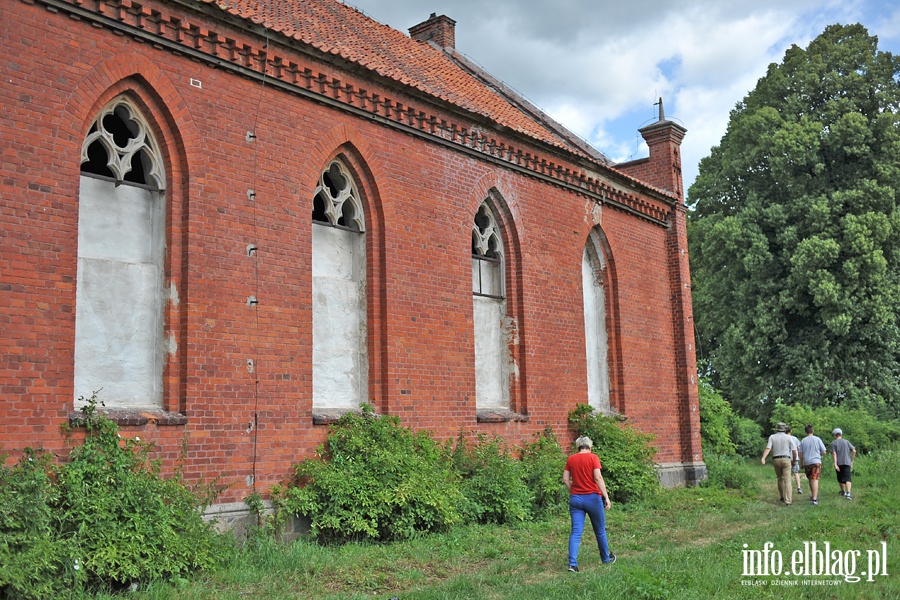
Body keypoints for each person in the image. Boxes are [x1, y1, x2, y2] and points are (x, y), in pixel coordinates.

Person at [563, 435, 616, 572]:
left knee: (576, 532)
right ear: (590, 446)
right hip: (592, 498)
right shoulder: (593, 458)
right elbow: (598, 477)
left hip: (576, 499)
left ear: (578, 446)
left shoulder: (571, 459)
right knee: (600, 530)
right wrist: (606, 497)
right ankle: (606, 559)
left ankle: (572, 564)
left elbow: (565, 479)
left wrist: (574, 490)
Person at [760, 422, 797, 505]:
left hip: (776, 459)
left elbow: (768, 448)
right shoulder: (788, 437)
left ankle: (782, 496)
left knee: (780, 478)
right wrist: (794, 461)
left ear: (777, 428)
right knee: (787, 480)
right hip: (786, 459)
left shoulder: (772, 437)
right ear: (785, 429)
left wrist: (763, 458)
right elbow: (794, 451)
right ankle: (788, 500)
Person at [797, 424, 827, 505]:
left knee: (810, 478)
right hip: (816, 462)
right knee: (815, 479)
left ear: (805, 432)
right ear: (812, 431)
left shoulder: (803, 441)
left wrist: (801, 463)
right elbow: (824, 451)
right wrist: (819, 453)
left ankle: (813, 494)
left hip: (807, 462)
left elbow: (800, 454)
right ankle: (814, 499)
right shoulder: (817, 439)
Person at [830, 428, 856, 500]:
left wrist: (835, 464)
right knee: (848, 478)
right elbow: (854, 450)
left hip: (839, 463)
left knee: (840, 477)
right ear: (841, 434)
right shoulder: (846, 442)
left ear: (835, 435)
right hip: (847, 462)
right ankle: (848, 493)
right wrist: (851, 461)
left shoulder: (833, 443)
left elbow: (834, 453)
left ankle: (842, 491)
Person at [785, 426, 803, 495]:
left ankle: (787, 488)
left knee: (787, 473)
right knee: (796, 473)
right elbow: (799, 448)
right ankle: (799, 488)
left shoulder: (784, 439)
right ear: (791, 431)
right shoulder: (795, 438)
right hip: (795, 458)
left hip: (787, 458)